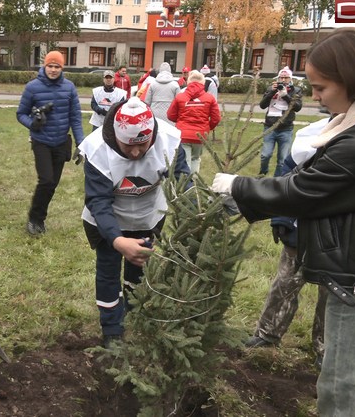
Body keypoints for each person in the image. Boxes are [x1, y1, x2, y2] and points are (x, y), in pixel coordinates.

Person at [211, 27, 355, 416]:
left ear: (352, 81)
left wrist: (237, 186)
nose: (314, 96)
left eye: (321, 87)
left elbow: (300, 193)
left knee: (344, 399)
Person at [79, 97, 189, 347]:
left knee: (138, 270)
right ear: (116, 137)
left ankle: (133, 312)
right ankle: (112, 329)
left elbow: (183, 185)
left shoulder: (169, 142)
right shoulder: (97, 149)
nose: (137, 153)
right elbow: (98, 202)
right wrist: (117, 240)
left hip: (148, 216)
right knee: (108, 272)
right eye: (129, 146)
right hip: (107, 222)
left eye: (142, 145)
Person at [243, 118, 330, 367]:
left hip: (335, 240)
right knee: (284, 284)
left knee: (330, 295)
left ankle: (325, 346)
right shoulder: (310, 140)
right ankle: (268, 333)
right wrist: (280, 219)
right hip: (299, 233)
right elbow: (283, 182)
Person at [16, 50, 84, 236]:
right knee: (46, 180)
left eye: (57, 66)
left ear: (62, 68)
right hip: (41, 142)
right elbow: (20, 113)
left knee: (52, 184)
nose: (53, 70)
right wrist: (33, 124)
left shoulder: (69, 88)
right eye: (50, 66)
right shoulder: (32, 87)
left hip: (61, 142)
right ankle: (33, 218)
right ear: (44, 66)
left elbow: (75, 118)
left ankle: (40, 219)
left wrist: (81, 144)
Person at [167, 69, 220, 174]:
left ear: (188, 82)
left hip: (183, 134)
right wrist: (208, 127)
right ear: (203, 83)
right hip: (200, 135)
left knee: (185, 161)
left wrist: (180, 121)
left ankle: (184, 185)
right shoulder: (209, 98)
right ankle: (194, 182)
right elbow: (216, 118)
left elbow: (170, 115)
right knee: (195, 158)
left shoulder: (180, 97)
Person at [257, 66, 302, 177]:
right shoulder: (271, 88)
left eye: (285, 78)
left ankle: (277, 179)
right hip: (270, 127)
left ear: (290, 79)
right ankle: (263, 173)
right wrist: (272, 92)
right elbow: (262, 105)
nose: (283, 80)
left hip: (286, 129)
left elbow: (297, 107)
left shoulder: (295, 90)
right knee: (265, 155)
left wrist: (286, 96)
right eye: (281, 77)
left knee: (282, 159)